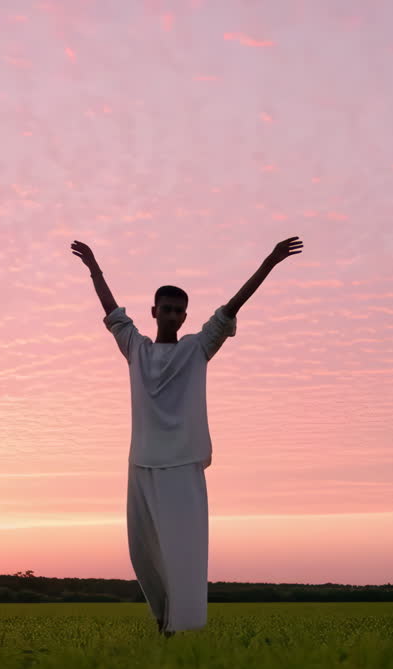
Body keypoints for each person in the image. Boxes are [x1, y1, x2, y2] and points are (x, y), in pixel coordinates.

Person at [70, 236, 304, 637]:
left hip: (182, 463)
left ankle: (184, 628)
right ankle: (163, 621)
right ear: (155, 311)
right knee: (142, 552)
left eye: (180, 311)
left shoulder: (197, 348)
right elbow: (111, 310)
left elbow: (232, 306)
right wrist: (94, 267)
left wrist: (270, 261)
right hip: (141, 461)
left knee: (184, 551)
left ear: (185, 316)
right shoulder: (136, 349)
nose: (174, 315)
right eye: (168, 309)